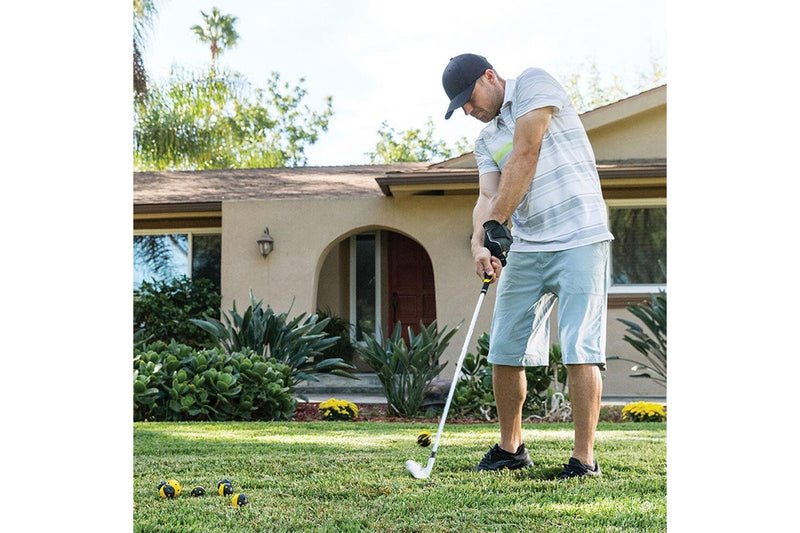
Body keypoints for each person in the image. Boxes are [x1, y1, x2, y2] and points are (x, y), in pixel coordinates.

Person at [441, 53, 614, 478]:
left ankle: (583, 457)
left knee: (579, 348)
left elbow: (527, 151)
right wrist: (479, 242)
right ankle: (510, 447)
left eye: (468, 97)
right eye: (459, 105)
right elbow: (486, 196)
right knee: (504, 347)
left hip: (581, 235)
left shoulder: (535, 84)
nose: (467, 109)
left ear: (490, 76)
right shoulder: (484, 140)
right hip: (529, 247)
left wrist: (498, 221)